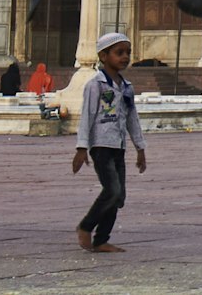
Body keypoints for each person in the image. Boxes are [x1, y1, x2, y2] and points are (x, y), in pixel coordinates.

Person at [72, 31, 146, 253]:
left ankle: (102, 239)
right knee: (111, 190)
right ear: (103, 56)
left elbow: (132, 118)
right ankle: (86, 226)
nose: (124, 57)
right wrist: (81, 147)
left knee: (118, 196)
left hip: (118, 146)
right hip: (101, 146)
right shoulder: (96, 85)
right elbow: (87, 116)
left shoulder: (126, 87)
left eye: (127, 53)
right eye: (119, 53)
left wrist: (140, 147)